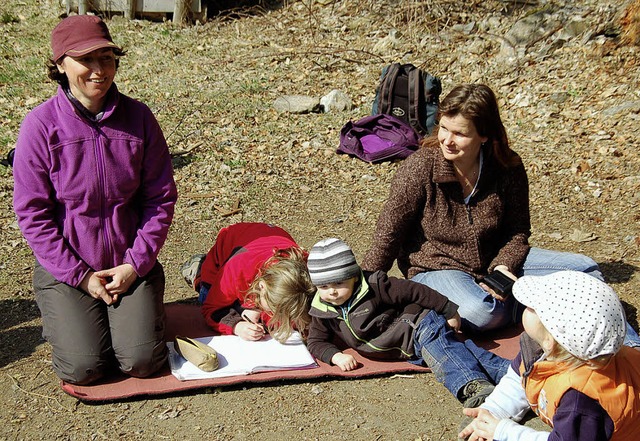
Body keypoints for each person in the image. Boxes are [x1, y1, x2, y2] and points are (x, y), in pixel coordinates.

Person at [361, 84, 613, 333]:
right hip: (436, 267)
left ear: (484, 135)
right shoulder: (419, 167)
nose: (447, 140)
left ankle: (527, 302)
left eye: (459, 134)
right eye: (443, 129)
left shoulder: (507, 167)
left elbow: (518, 230)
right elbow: (389, 232)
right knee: (481, 312)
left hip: (495, 261)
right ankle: (540, 306)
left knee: (587, 271)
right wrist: (362, 289)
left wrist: (504, 266)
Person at [12, 15, 177, 385]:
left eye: (107, 58)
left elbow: (160, 198)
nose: (99, 70)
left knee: (142, 361)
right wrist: (80, 276)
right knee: (84, 368)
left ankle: (131, 314)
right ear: (60, 64)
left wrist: (136, 263)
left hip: (130, 264)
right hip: (69, 270)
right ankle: (72, 316)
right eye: (85, 59)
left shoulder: (139, 118)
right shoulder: (39, 126)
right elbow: (32, 213)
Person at [305, 238, 510, 408]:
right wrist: (335, 356)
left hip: (419, 325)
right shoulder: (322, 311)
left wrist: (448, 310)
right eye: (324, 286)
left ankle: (471, 385)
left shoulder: (375, 285)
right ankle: (513, 373)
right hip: (409, 348)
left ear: (353, 278)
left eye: (339, 283)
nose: (331, 291)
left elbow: (415, 290)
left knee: (444, 354)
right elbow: (316, 342)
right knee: (454, 351)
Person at [459, 271, 640, 441]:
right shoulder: (540, 348)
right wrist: (493, 411)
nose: (525, 307)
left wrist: (503, 431)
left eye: (532, 307)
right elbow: (518, 379)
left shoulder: (580, 401)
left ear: (550, 341)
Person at [181, 222, 316, 344]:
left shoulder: (309, 274)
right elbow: (211, 309)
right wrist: (237, 326)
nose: (274, 316)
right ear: (261, 286)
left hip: (264, 243)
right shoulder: (238, 268)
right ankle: (199, 271)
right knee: (206, 296)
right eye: (271, 310)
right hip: (229, 253)